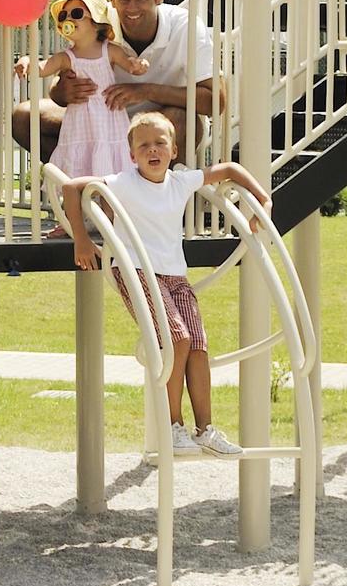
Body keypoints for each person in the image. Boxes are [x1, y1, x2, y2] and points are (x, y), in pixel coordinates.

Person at [57, 108, 264, 458]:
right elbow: (72, 187)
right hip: (137, 271)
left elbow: (230, 170)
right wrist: (80, 238)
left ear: (174, 150)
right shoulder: (124, 182)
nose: (153, 151)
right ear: (132, 154)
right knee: (176, 339)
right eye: (144, 146)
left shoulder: (180, 181)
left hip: (174, 276)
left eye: (160, 144)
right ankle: (172, 426)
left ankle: (205, 429)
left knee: (197, 346)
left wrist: (264, 199)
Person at [13, 0, 216, 162]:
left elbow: (215, 101)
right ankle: (80, 181)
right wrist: (62, 90)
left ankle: (149, 191)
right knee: (24, 116)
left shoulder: (186, 26)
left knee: (180, 118)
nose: (132, 8)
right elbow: (63, 79)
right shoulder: (97, 22)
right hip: (101, 122)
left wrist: (146, 91)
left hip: (158, 125)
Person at [34, 0, 147, 181]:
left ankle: (109, 210)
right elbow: (43, 68)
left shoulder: (109, 51)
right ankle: (77, 208)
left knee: (111, 172)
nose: (68, 18)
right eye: (63, 15)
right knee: (80, 167)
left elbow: (130, 65)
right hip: (79, 122)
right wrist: (28, 62)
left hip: (109, 118)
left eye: (77, 14)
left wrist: (139, 66)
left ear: (96, 23)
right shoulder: (66, 57)